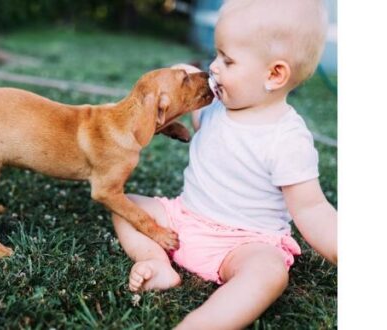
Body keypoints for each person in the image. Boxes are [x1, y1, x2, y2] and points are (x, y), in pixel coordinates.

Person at [110, 0, 337, 328]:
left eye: (227, 60)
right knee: (123, 204)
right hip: (183, 220)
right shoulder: (216, 106)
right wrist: (178, 74)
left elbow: (313, 209)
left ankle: (201, 323)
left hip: (244, 243)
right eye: (216, 55)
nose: (213, 67)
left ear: (274, 74)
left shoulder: (287, 139)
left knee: (268, 272)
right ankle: (155, 261)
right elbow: (184, 80)